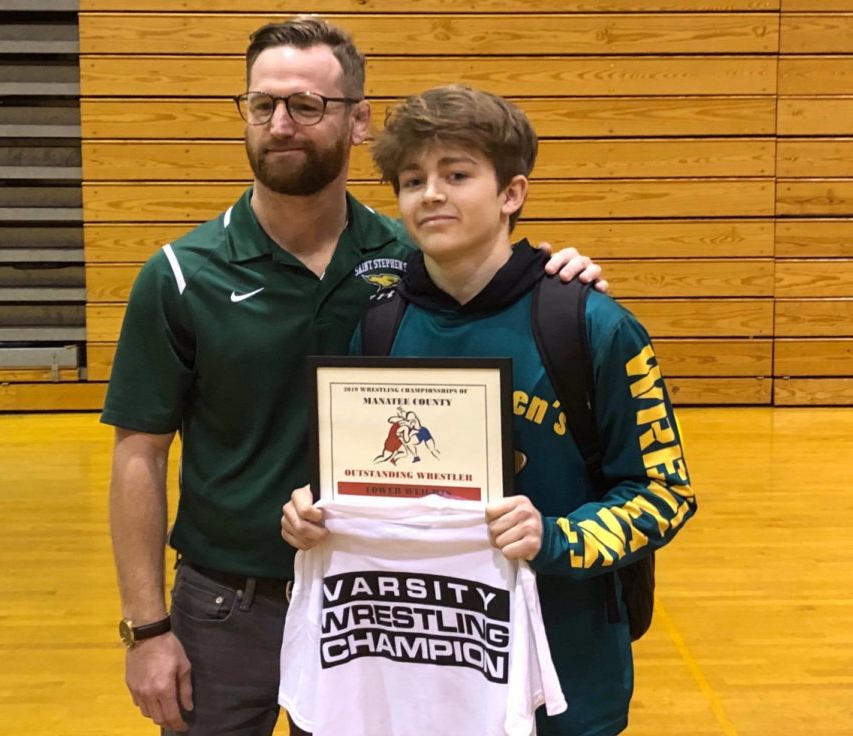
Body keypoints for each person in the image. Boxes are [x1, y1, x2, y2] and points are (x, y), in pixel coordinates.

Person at [103, 16, 605, 736]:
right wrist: (146, 630)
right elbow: (139, 456)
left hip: (375, 601)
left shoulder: (416, 258)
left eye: (307, 105)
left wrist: (562, 272)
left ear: (359, 120)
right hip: (225, 607)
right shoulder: (181, 275)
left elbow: (504, 286)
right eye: (262, 104)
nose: (281, 123)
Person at [281, 85, 697, 735]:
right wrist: (317, 514)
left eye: (458, 174)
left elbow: (666, 494)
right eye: (413, 179)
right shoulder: (379, 327)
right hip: (417, 683)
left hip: (565, 681)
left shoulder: (593, 326)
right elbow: (366, 486)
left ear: (512, 194)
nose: (432, 194)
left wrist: (555, 537)